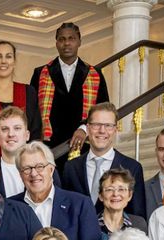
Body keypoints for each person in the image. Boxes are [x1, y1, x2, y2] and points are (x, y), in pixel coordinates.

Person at [12, 141, 103, 240]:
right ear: (20, 175)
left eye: (40, 166)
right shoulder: (10, 207)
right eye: (27, 168)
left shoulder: (79, 205)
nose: (34, 173)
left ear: (51, 169)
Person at [29, 22, 110, 161]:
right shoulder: (41, 73)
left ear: (79, 42)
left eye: (71, 38)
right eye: (62, 39)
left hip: (83, 146)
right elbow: (32, 112)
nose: (66, 43)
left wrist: (84, 129)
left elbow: (103, 110)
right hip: (49, 148)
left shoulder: (94, 74)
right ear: (56, 43)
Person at [62, 102, 148, 219]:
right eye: (96, 125)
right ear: (87, 128)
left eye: (108, 125)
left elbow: (137, 216)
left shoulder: (132, 168)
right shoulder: (71, 167)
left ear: (115, 130)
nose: (102, 131)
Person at [97, 168, 149, 240]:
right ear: (100, 196)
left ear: (129, 195)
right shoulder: (90, 225)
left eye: (121, 189)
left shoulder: (139, 224)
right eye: (109, 190)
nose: (116, 194)